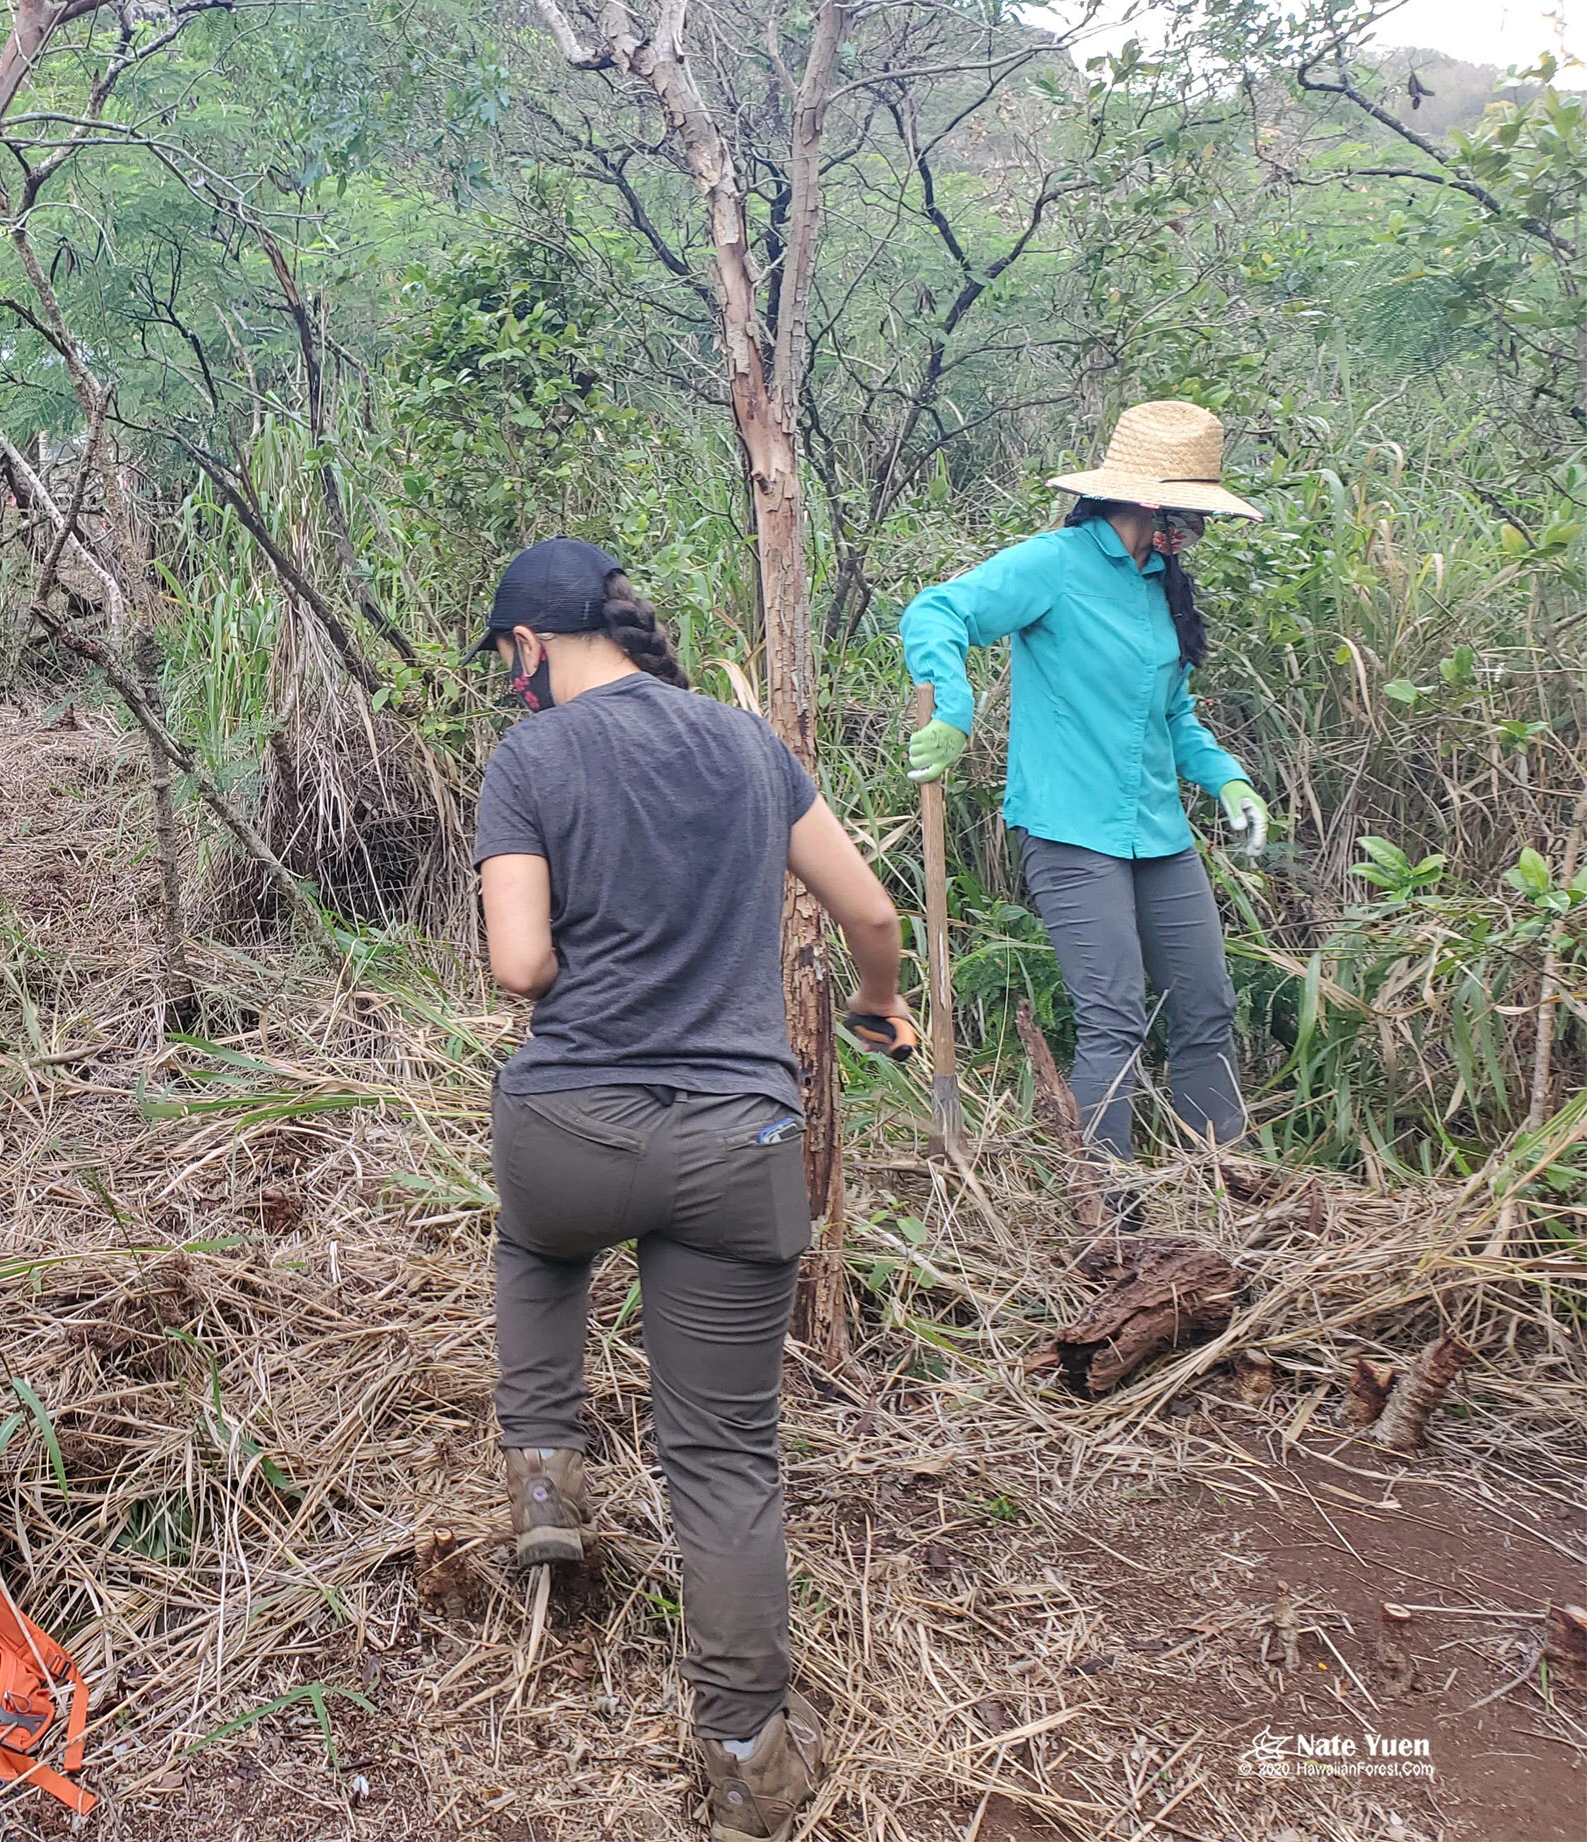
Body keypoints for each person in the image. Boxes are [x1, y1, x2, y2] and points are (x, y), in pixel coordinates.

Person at [471, 538, 917, 1841]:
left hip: (574, 1125)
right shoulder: (745, 744)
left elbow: (518, 962)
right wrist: (880, 1011)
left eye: (509, 663)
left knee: (539, 1241)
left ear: (534, 644)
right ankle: (746, 1755)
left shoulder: (532, 760)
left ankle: (545, 1470)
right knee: (726, 1458)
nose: (513, 686)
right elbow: (872, 915)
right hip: (740, 1143)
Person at [900, 399, 1272, 1173]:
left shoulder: (1156, 585)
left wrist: (1229, 779)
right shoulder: (1054, 564)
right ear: (1148, 502)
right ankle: (1108, 1209)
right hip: (1070, 831)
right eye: (1190, 510)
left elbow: (1174, 716)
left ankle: (1223, 1185)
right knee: (1115, 1021)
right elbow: (939, 609)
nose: (1197, 527)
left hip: (1158, 832)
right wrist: (956, 710)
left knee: (1207, 1006)